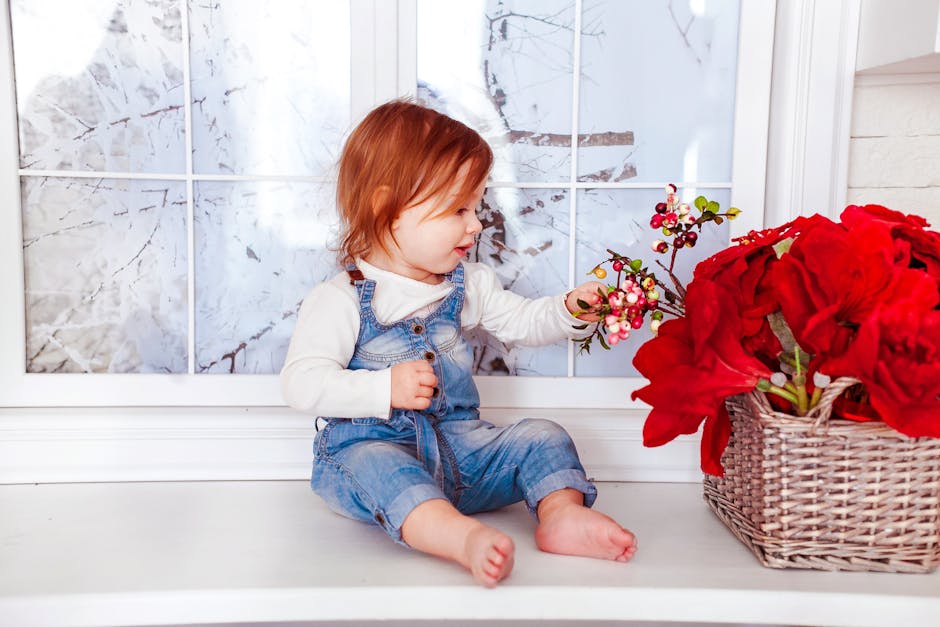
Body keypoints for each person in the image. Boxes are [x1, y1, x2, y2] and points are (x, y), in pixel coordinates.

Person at [281, 100, 636, 587]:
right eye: (459, 209)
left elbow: (522, 322)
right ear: (389, 209)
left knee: (543, 436)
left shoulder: (467, 284)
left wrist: (568, 309)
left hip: (461, 454)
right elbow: (302, 383)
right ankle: (458, 537)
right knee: (383, 469)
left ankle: (561, 515)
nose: (476, 225)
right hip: (373, 447)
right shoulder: (341, 298)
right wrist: (382, 388)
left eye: (477, 206)